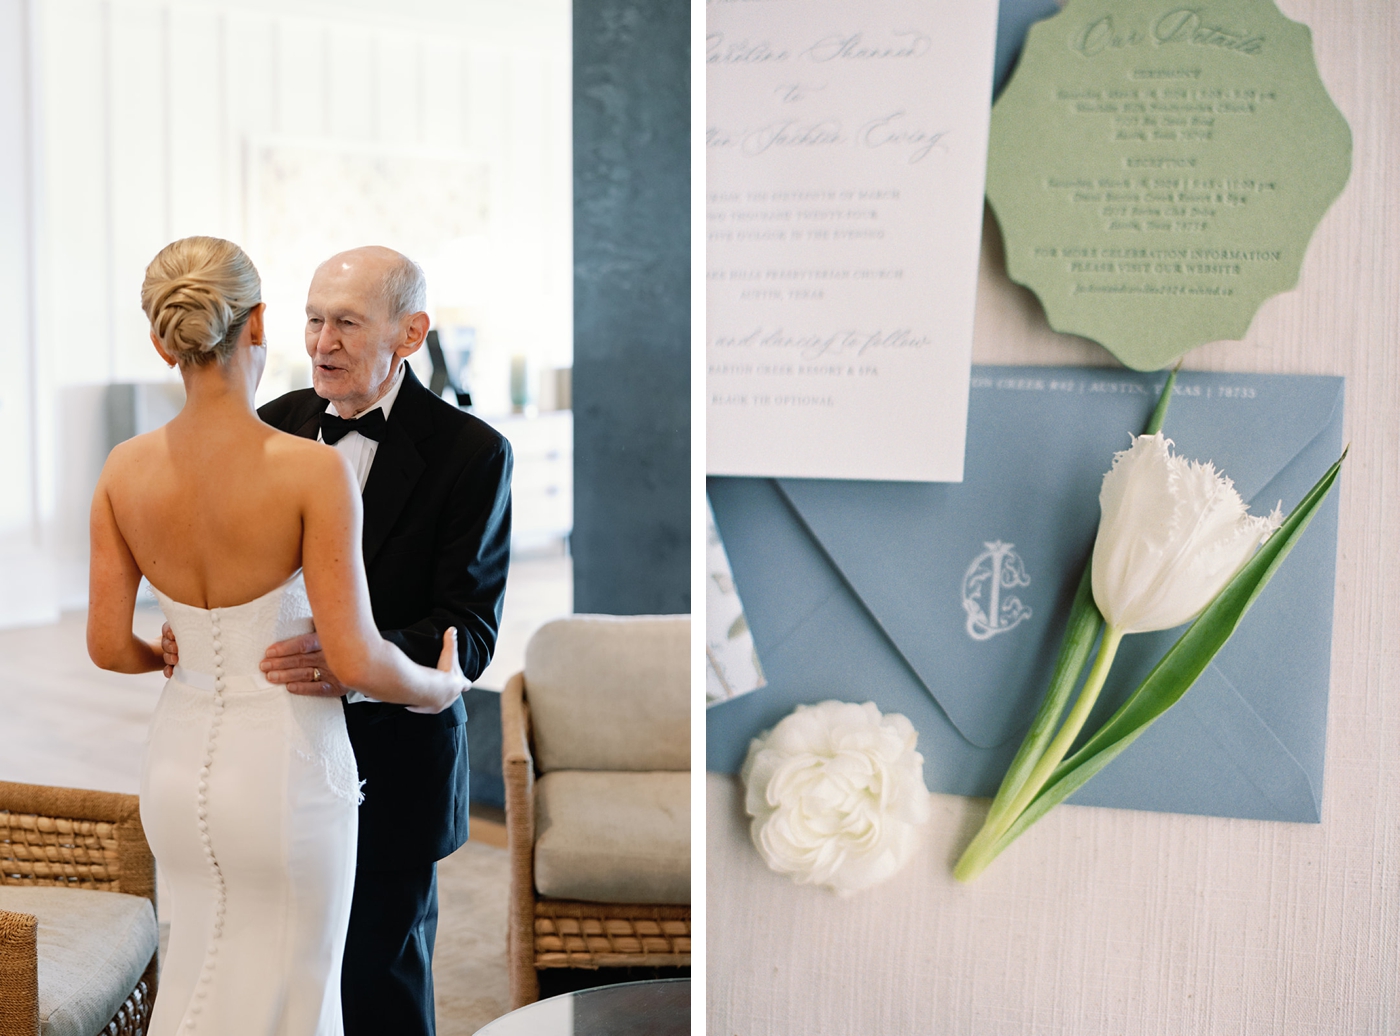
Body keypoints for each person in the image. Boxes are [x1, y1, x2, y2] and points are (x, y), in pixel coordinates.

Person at [87, 236, 470, 1035]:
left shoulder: (123, 469)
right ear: (259, 323)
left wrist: (167, 651)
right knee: (298, 992)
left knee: (196, 972)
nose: (324, 341)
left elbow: (107, 647)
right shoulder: (306, 467)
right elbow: (358, 656)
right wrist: (440, 685)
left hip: (175, 763)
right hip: (287, 771)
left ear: (162, 338)